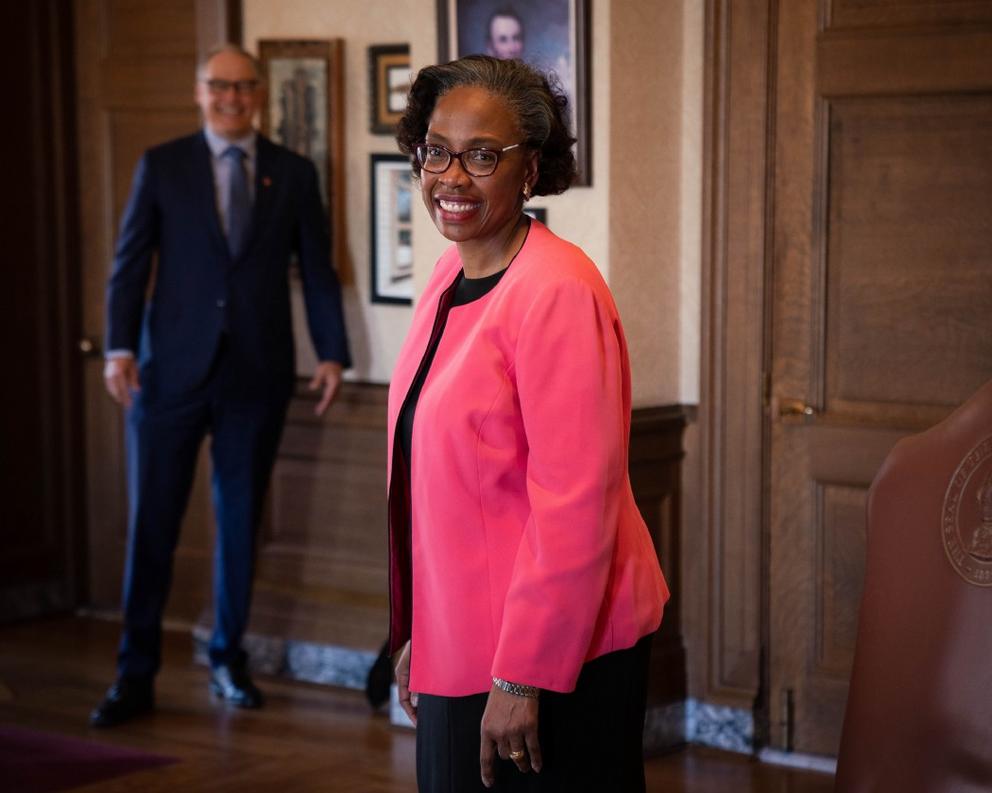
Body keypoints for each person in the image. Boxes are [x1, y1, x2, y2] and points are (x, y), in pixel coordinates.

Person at [389, 55, 669, 792]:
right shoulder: (454, 275)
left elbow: (576, 501)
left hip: (553, 652)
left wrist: (522, 674)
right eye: (436, 150)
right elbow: (448, 485)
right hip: (467, 633)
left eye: (482, 155)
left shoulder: (558, 291)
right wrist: (421, 626)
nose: (452, 177)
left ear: (530, 168)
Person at [90, 43, 351, 728]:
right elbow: (129, 264)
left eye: (243, 86)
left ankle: (227, 659)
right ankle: (134, 672)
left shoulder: (293, 173)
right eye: (219, 86)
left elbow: (317, 270)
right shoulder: (162, 164)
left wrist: (332, 353)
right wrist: (119, 347)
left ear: (259, 93)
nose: (231, 97)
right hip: (167, 374)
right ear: (199, 91)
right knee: (154, 525)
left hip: (254, 375)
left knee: (238, 524)